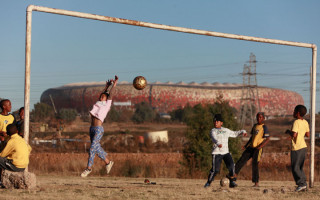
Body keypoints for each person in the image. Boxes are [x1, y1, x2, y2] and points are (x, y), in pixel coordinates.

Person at [81, 75, 118, 177]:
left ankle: (88, 168)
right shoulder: (98, 103)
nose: (101, 97)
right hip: (92, 129)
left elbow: (110, 95)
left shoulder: (106, 105)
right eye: (101, 96)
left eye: (103, 96)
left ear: (106, 99)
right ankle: (108, 162)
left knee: (92, 148)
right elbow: (102, 95)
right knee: (96, 148)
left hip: (98, 129)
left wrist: (114, 85)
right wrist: (106, 86)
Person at [204, 114, 247, 188]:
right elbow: (214, 138)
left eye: (217, 121)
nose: (215, 122)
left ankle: (232, 182)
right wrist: (218, 143)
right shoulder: (213, 131)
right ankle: (208, 182)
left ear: (221, 123)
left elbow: (234, 133)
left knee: (232, 167)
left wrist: (243, 131)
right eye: (214, 121)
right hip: (216, 153)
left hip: (226, 152)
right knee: (215, 170)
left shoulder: (225, 130)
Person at [234, 112, 270, 187]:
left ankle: (256, 182)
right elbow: (252, 137)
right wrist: (246, 146)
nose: (258, 119)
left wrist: (260, 146)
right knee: (242, 159)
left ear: (263, 118)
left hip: (258, 148)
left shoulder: (264, 127)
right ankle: (234, 175)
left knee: (255, 164)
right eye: (257, 117)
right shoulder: (254, 126)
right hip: (251, 147)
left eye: (260, 117)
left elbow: (267, 139)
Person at [285, 105, 309, 192]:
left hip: (297, 147)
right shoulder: (305, 122)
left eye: (294, 111)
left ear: (297, 113)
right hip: (304, 147)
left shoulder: (296, 122)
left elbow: (294, 134)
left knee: (295, 167)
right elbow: (307, 134)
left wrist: (288, 131)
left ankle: (301, 184)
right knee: (300, 167)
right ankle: (304, 185)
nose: (293, 113)